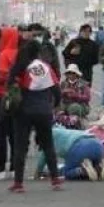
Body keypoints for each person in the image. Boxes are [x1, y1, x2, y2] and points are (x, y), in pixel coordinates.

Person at [9, 40, 62, 192]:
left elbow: (12, 89)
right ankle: (55, 180)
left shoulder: (20, 68)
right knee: (48, 145)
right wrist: (54, 104)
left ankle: (18, 183)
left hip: (23, 111)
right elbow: (56, 90)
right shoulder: (45, 67)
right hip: (44, 110)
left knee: (21, 147)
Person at [35, 124, 104, 181]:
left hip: (80, 146)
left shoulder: (47, 137)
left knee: (67, 172)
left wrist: (38, 173)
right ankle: (99, 166)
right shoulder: (62, 131)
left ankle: (82, 170)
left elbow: (43, 158)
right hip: (98, 144)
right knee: (91, 163)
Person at [0, 26, 19, 180]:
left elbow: (2, 77)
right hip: (17, 99)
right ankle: (15, 168)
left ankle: (1, 168)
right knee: (15, 135)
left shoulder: (3, 55)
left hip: (1, 98)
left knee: (0, 135)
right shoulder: (21, 54)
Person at [55, 63, 91, 129]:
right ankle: (61, 124)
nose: (70, 75)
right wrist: (63, 92)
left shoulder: (83, 84)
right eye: (69, 73)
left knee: (74, 108)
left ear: (76, 74)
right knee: (57, 109)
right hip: (65, 103)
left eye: (72, 73)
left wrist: (75, 95)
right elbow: (58, 95)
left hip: (80, 104)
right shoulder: (63, 83)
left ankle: (75, 125)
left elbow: (87, 98)